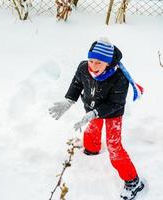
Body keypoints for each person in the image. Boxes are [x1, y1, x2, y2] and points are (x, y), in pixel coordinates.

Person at [49, 38, 144, 200]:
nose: (93, 65)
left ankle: (133, 181)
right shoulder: (83, 67)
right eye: (91, 60)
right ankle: (92, 148)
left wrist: (94, 113)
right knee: (92, 129)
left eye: (99, 63)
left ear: (108, 63)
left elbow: (116, 103)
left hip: (112, 111)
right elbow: (77, 84)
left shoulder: (119, 77)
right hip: (91, 106)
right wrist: (69, 101)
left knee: (114, 146)